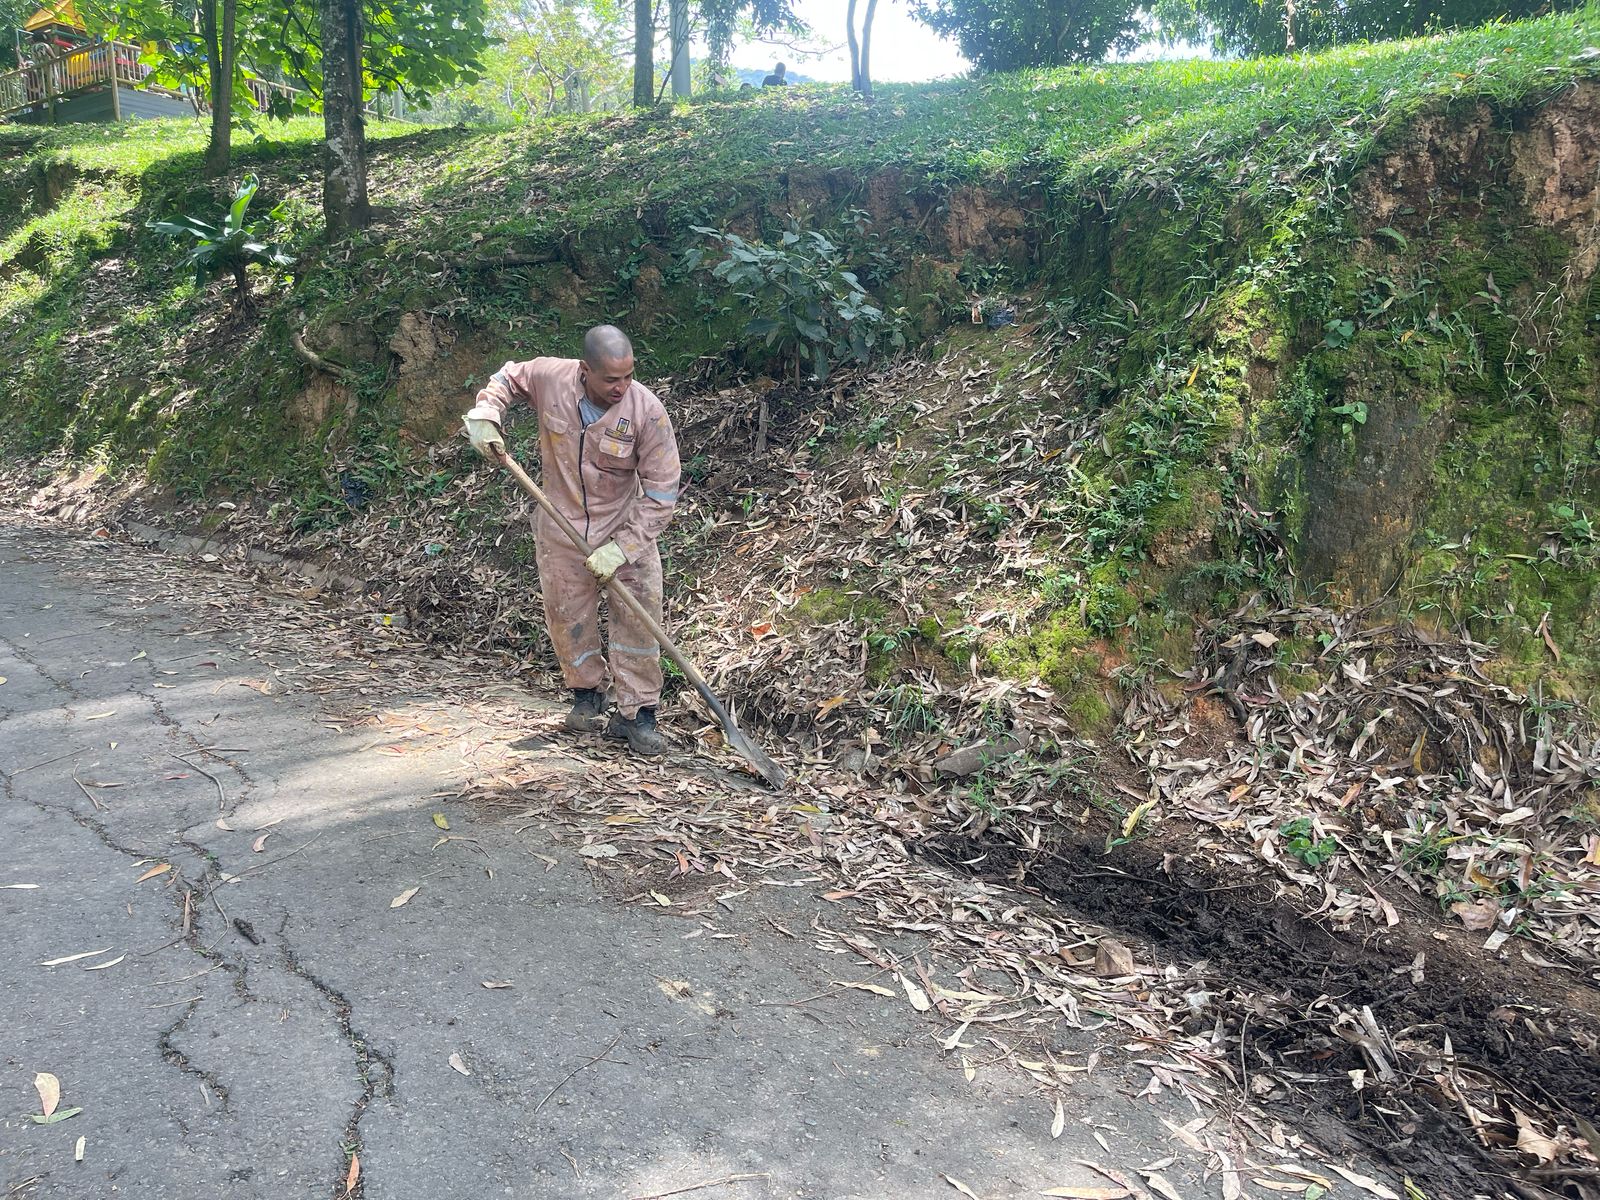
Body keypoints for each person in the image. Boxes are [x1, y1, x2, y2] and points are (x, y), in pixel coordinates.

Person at [462, 326, 681, 757]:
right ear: (585, 370)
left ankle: (638, 715)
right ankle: (586, 697)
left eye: (628, 376)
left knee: (638, 622)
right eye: (611, 379)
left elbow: (661, 492)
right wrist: (485, 415)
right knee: (567, 615)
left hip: (623, 530)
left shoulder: (647, 412)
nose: (622, 387)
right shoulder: (552, 378)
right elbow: (508, 378)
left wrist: (623, 547)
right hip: (560, 526)